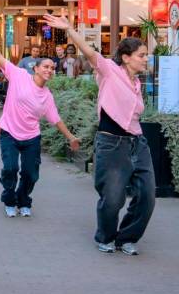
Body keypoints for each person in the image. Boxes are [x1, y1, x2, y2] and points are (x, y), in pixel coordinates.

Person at [44, 14, 154, 256]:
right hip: (112, 144)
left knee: (147, 196)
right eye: (142, 55)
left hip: (138, 143)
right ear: (126, 58)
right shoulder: (110, 71)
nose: (146, 59)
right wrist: (70, 29)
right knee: (113, 199)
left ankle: (127, 237)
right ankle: (105, 236)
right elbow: (90, 53)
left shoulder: (136, 83)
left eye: (146, 55)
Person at [0, 23, 80, 218]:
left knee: (30, 174)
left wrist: (71, 137)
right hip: (9, 133)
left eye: (52, 68)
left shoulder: (47, 96)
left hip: (31, 138)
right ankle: (9, 200)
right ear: (36, 68)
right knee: (11, 168)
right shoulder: (19, 75)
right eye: (45, 66)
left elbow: (56, 119)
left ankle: (24, 200)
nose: (49, 70)